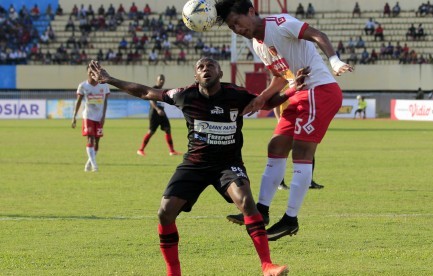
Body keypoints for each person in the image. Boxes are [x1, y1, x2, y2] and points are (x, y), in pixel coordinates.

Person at [88, 58, 294, 276]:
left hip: (227, 164)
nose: (206, 69)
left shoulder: (236, 94)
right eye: (201, 67)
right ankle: (173, 272)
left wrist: (293, 89)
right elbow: (146, 92)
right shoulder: (184, 95)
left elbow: (267, 103)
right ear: (196, 76)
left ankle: (267, 265)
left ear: (220, 73)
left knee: (246, 201)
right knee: (165, 213)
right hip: (195, 164)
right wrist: (110, 79)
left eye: (210, 66)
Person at [215, 0, 353, 241]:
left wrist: (334, 61)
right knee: (276, 146)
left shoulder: (280, 24)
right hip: (298, 92)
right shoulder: (258, 45)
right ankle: (262, 211)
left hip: (319, 90)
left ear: (250, 11)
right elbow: (280, 76)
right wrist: (262, 98)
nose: (237, 29)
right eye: (231, 27)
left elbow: (317, 34)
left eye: (237, 22)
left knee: (301, 152)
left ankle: (290, 220)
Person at [71, 64, 110, 172]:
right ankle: (94, 165)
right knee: (90, 139)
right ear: (88, 73)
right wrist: (74, 116)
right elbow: (78, 101)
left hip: (99, 117)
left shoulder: (104, 85)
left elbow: (105, 101)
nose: (92, 73)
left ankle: (89, 163)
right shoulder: (83, 86)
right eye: (90, 71)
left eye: (94, 71)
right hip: (88, 116)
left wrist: (103, 116)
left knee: (97, 141)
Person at [137, 74, 181, 157]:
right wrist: (157, 109)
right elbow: (151, 101)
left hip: (162, 112)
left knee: (168, 129)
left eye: (163, 79)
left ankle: (172, 151)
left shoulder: (163, 91)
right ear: (156, 80)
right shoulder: (154, 89)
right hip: (154, 113)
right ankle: (140, 150)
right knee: (151, 132)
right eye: (160, 79)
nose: (162, 81)